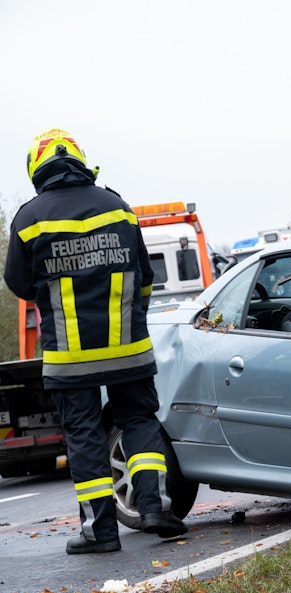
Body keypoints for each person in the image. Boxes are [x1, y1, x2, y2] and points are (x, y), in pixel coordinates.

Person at [4, 129, 187, 555]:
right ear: (82, 161)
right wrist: (134, 319)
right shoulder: (118, 207)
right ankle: (155, 508)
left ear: (36, 168)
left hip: (70, 357)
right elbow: (145, 278)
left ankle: (100, 532)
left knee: (84, 436)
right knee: (139, 422)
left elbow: (20, 285)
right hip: (128, 348)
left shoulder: (30, 218)